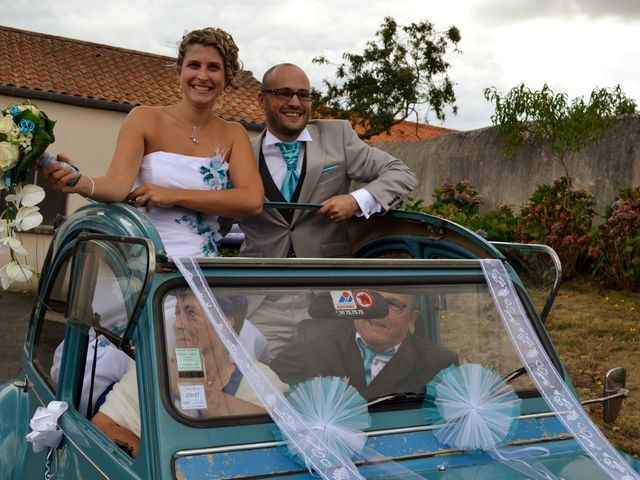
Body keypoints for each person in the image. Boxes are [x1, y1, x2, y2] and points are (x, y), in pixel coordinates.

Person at [40, 27, 263, 258]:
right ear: (180, 72)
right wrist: (78, 182)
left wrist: (173, 194)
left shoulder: (234, 134)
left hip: (200, 263)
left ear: (226, 79)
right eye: (194, 65)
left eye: (213, 67)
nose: (203, 76)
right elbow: (117, 185)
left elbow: (252, 200)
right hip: (142, 261)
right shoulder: (143, 118)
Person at [238, 62, 418, 259]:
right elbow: (215, 219)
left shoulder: (338, 136)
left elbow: (401, 173)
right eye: (284, 93)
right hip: (260, 280)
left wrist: (356, 201)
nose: (295, 103)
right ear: (261, 99)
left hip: (328, 278)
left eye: (303, 95)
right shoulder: (240, 154)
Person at [91, 289, 287, 458]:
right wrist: (159, 468)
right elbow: (103, 426)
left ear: (225, 325)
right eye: (177, 313)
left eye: (191, 313)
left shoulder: (260, 381)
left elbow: (282, 441)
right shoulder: (155, 371)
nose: (177, 324)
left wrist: (198, 394)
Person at [270, 291, 457, 401]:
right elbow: (270, 395)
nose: (377, 313)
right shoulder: (313, 337)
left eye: (392, 305)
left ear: (412, 317)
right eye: (370, 301)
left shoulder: (439, 362)